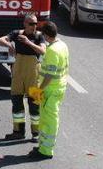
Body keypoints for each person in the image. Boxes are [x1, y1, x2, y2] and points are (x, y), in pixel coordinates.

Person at [0, 14, 46, 140]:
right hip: (18, 71)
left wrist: (28, 42)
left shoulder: (39, 36)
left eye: (35, 24)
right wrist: (9, 46)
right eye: (31, 24)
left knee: (35, 103)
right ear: (25, 23)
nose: (34, 26)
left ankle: (36, 133)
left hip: (34, 73)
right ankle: (18, 132)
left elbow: (42, 51)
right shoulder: (16, 33)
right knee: (16, 101)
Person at [31, 22, 70, 160]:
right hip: (58, 87)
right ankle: (43, 146)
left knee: (48, 120)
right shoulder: (62, 45)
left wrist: (39, 90)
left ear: (46, 35)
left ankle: (46, 151)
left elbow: (49, 75)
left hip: (50, 89)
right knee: (46, 118)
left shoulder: (53, 51)